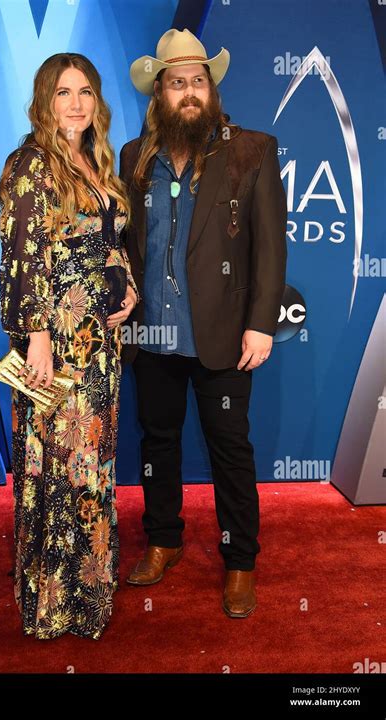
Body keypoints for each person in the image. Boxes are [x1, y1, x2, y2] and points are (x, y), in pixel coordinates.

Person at [119, 29, 287, 618]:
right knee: (157, 443)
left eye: (198, 81)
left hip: (223, 333)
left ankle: (240, 562)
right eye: (176, 82)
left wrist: (261, 323)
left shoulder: (252, 150)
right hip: (154, 333)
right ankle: (164, 540)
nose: (188, 92)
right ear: (159, 93)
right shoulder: (133, 156)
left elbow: (271, 248)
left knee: (229, 450)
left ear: (210, 89)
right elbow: (130, 245)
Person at [0, 53, 139, 640]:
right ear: (43, 101)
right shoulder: (30, 164)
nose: (76, 103)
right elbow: (21, 258)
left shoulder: (92, 160)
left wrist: (125, 282)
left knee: (93, 468)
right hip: (57, 347)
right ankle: (55, 602)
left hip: (102, 345)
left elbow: (107, 237)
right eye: (63, 93)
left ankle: (89, 590)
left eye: (85, 92)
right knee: (58, 466)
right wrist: (36, 340)